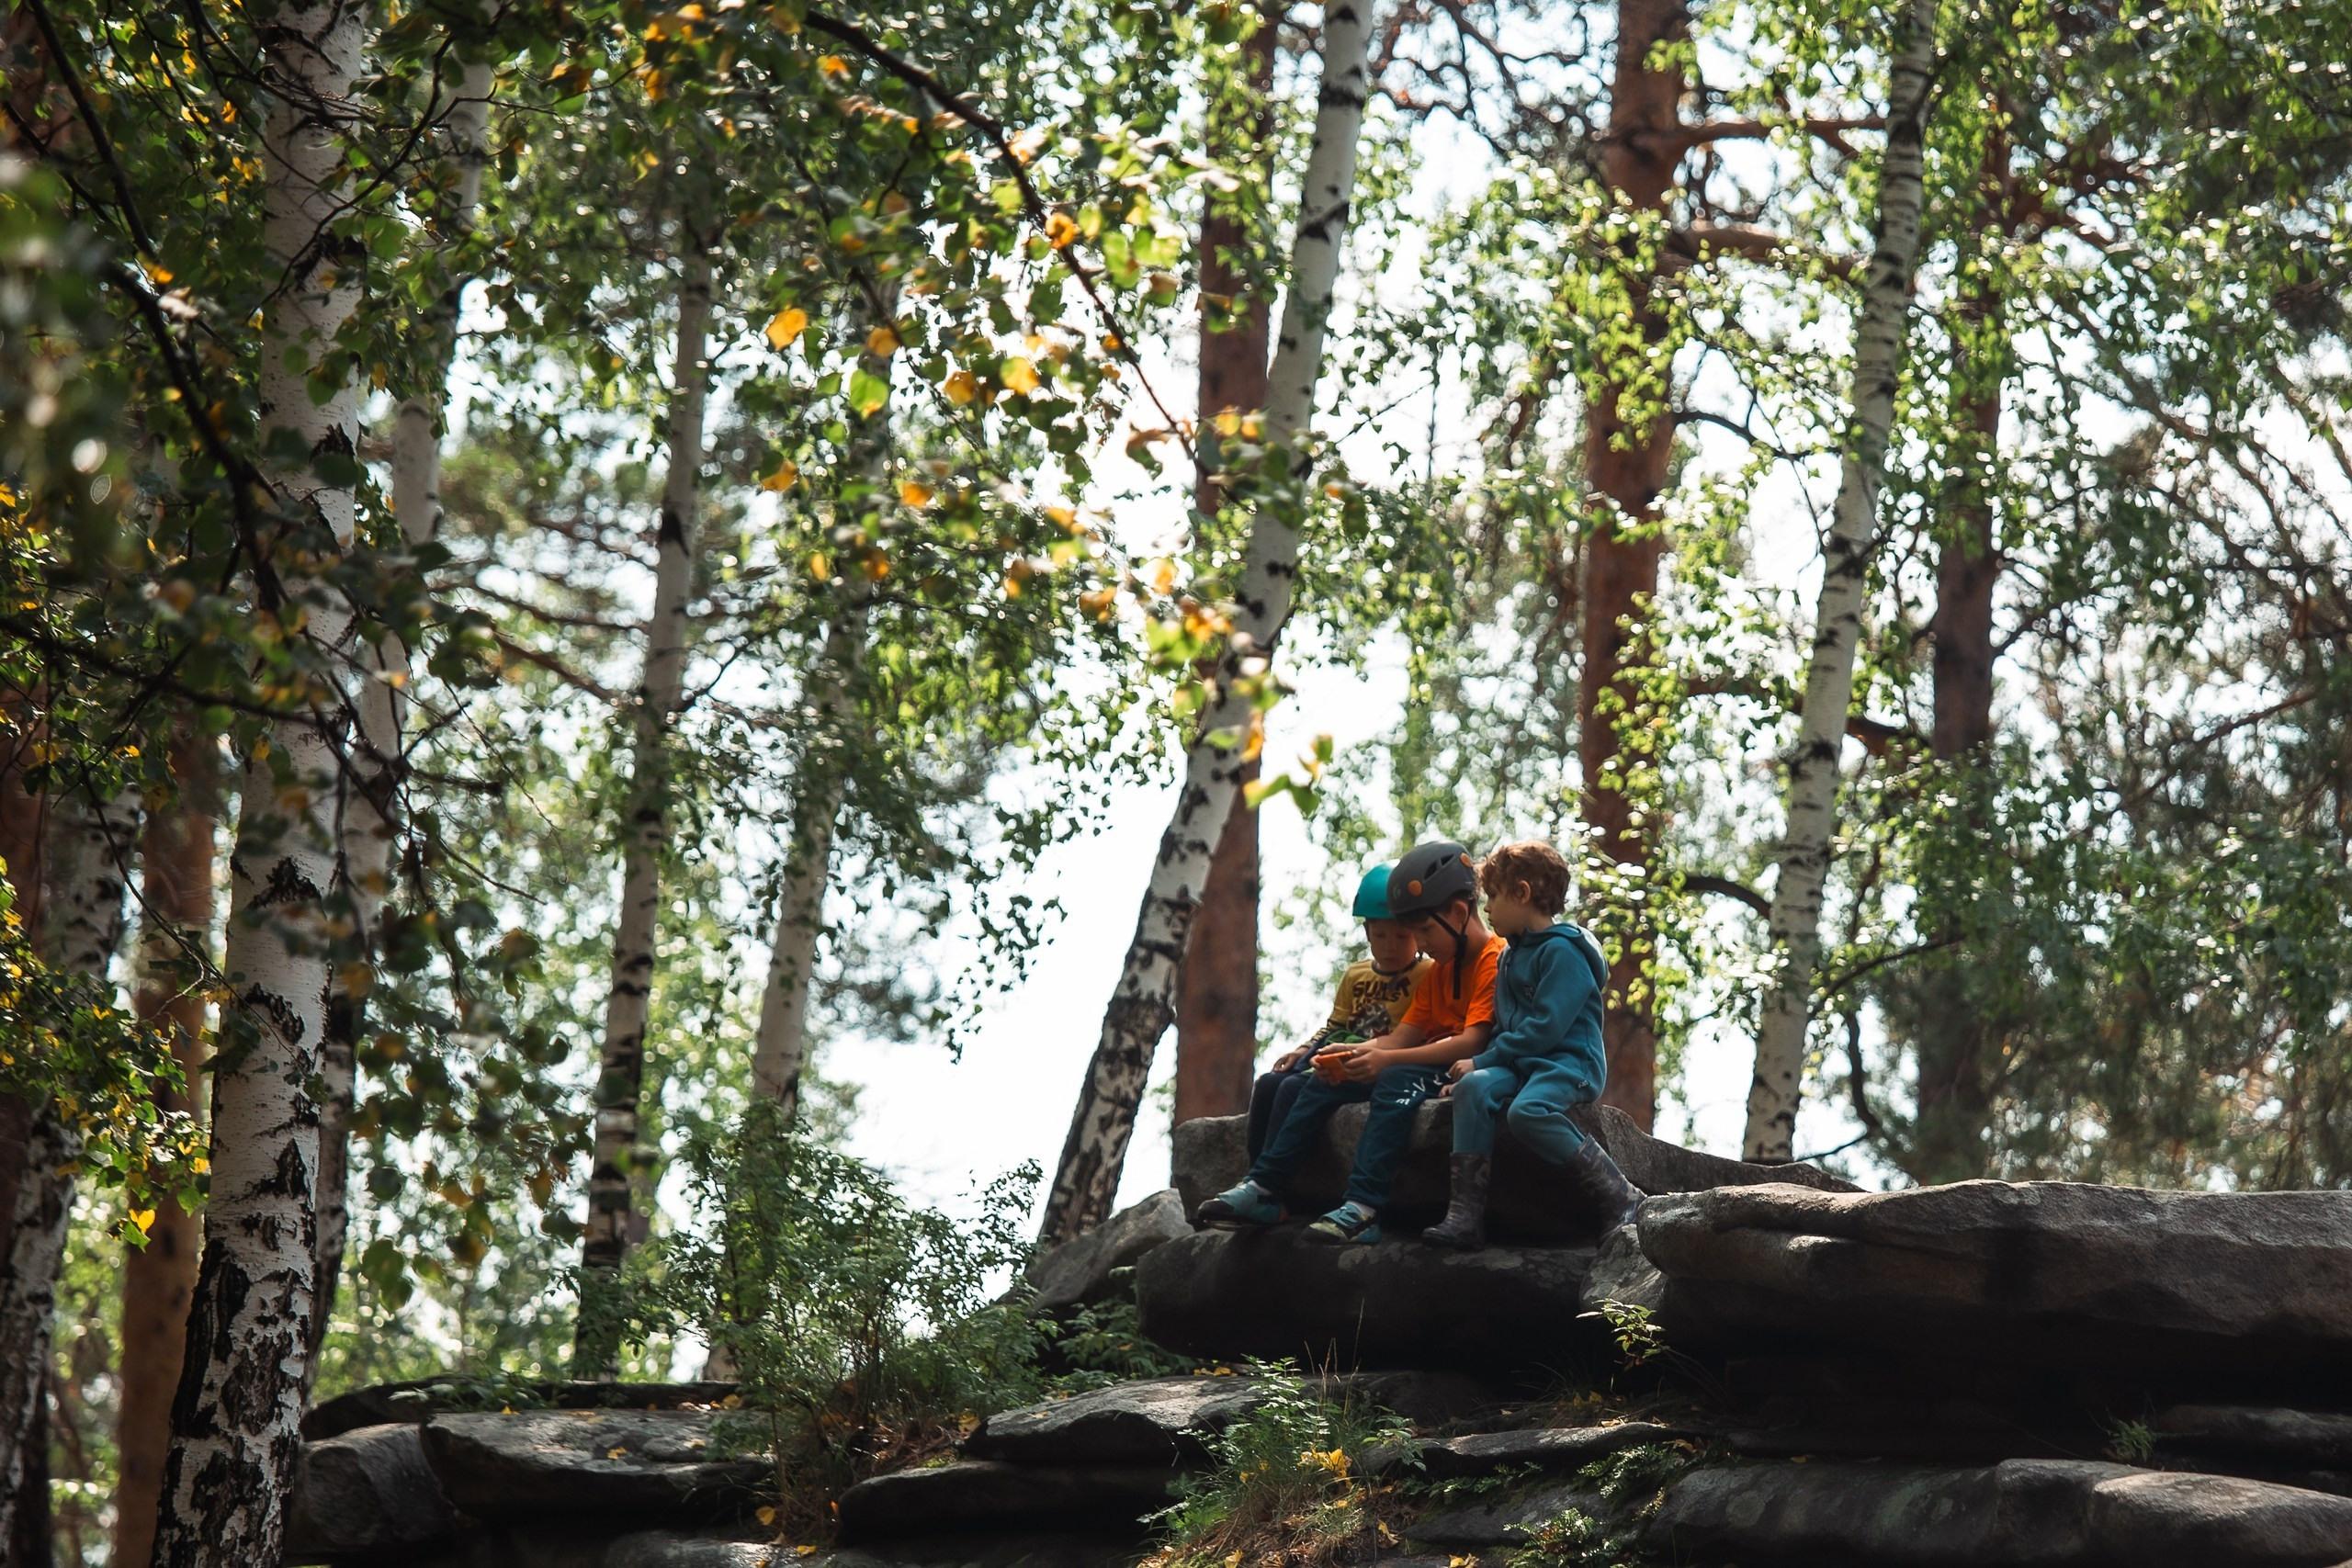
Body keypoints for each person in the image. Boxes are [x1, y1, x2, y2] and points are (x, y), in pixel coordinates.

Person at [1196, 840, 1504, 1245]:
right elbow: (1401, 1037)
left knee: (1396, 1081)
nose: (1421, 944)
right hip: (1421, 1062)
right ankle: (1265, 1188)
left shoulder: (1494, 959)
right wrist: (1351, 1054)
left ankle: (1364, 1207)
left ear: (1459, 914)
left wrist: (1386, 1062)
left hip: (1460, 1069)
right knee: (1325, 1076)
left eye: (1423, 931)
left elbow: (1472, 1042)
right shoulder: (1439, 972)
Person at [1421, 840, 1643, 1250]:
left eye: (1493, 897)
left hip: (1568, 1063)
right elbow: (1508, 1027)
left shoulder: (1564, 953)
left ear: (1522, 894)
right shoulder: (1509, 955)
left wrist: (1482, 1058)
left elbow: (1545, 1029)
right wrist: (1481, 1071)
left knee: (1527, 1112)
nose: (1486, 909)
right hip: (1524, 1062)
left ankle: (1621, 1195)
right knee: (1473, 1087)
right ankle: (1465, 1217)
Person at [1244, 863, 1430, 1160]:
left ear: (1417, 936)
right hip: (1337, 1049)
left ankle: (1273, 1181)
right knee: (1268, 1084)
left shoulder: (1427, 973)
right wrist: (1304, 1049)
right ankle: (1253, 1172)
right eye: (1381, 936)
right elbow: (1335, 1025)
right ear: (1368, 934)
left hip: (1374, 1059)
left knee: (1292, 1088)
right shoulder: (1355, 975)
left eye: (1401, 937)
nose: (1390, 946)